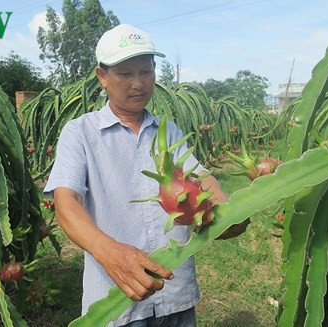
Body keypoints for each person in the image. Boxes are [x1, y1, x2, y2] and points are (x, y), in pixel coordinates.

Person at [43, 23, 249, 326]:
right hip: (116, 301)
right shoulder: (80, 133)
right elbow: (66, 202)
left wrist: (224, 209)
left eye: (146, 71)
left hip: (175, 295)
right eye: (125, 74)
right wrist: (110, 253)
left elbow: (201, 177)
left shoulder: (168, 130)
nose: (138, 83)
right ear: (102, 76)